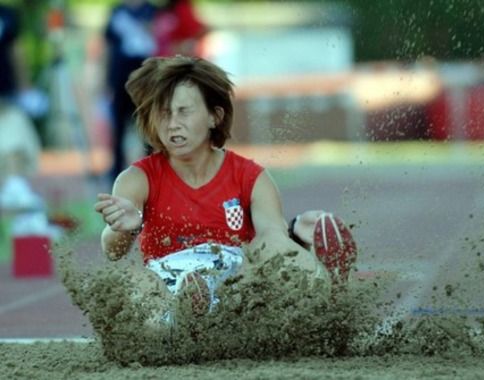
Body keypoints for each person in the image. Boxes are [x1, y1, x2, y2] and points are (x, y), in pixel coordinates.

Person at [94, 56, 356, 320]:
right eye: (164, 113)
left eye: (184, 111)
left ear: (214, 117)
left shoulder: (250, 177)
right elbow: (112, 251)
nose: (173, 123)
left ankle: (325, 296)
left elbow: (271, 238)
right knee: (139, 283)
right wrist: (127, 228)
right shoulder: (136, 179)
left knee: (267, 252)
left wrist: (294, 251)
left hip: (234, 283)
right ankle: (182, 319)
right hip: (166, 285)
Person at [104, 0, 157, 181]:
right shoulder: (117, 11)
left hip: (146, 80)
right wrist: (107, 80)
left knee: (147, 127)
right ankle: (116, 171)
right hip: (120, 80)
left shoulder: (152, 11)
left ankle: (151, 168)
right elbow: (108, 48)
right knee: (118, 127)